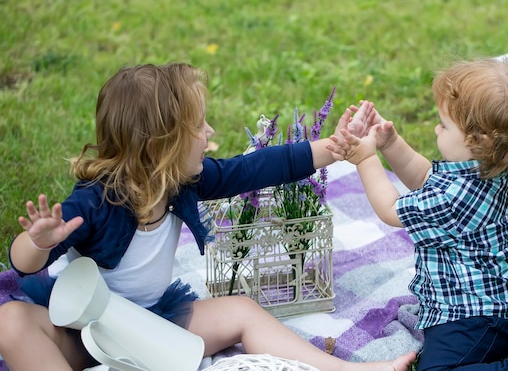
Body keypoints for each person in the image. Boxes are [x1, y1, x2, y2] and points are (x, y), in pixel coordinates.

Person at [0, 63, 416, 371]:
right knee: (12, 320)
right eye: (199, 127)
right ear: (161, 146)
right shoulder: (94, 201)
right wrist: (39, 241)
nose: (211, 132)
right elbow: (22, 263)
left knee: (240, 309)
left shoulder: (185, 181)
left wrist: (337, 145)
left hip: (154, 324)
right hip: (85, 332)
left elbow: (262, 166)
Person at [329, 58, 508, 371]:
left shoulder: (452, 198)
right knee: (497, 324)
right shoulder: (486, 170)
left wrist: (366, 158)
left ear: (478, 142)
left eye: (444, 125)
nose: (436, 127)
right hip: (503, 304)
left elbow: (390, 210)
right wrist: (389, 142)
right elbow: (424, 175)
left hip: (472, 318)